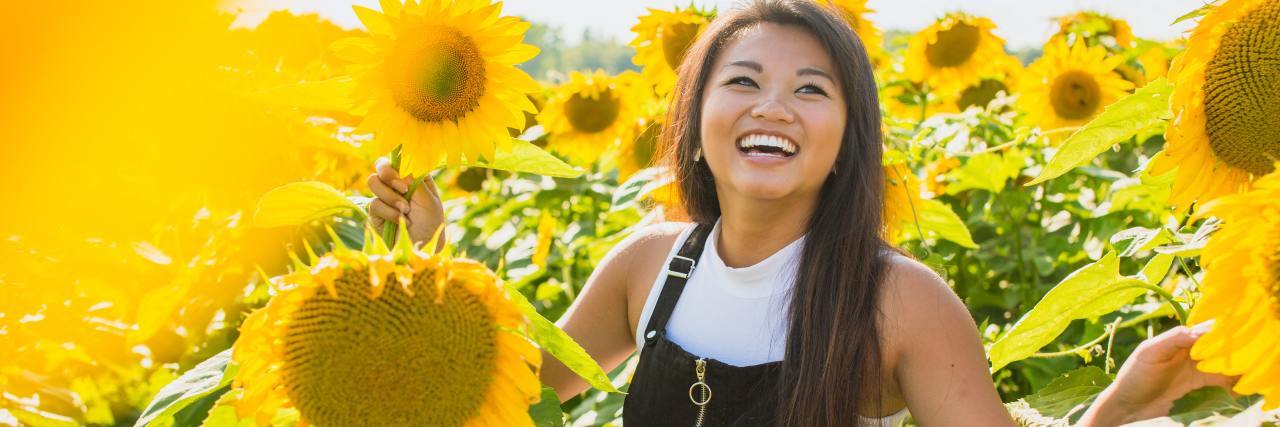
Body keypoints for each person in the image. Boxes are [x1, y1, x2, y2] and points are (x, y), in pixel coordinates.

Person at [365, 0, 1234, 424]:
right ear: (694, 125)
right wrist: (426, 259)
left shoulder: (900, 300)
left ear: (847, 140)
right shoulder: (647, 264)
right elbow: (506, 401)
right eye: (741, 82)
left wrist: (1119, 408)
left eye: (810, 90)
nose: (772, 107)